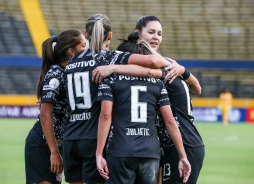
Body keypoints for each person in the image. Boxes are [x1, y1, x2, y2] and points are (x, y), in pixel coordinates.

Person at [63, 13, 173, 184]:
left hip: (70, 137)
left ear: (85, 34)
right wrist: (169, 67)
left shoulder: (71, 62)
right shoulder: (109, 58)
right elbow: (153, 61)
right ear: (110, 36)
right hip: (93, 136)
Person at [95, 37, 191, 184]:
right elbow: (170, 121)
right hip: (149, 151)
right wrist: (183, 156)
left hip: (121, 149)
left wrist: (99, 153)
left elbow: (105, 116)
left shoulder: (111, 79)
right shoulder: (158, 84)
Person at [134, 15, 205, 184]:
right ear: (138, 33)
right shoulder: (162, 64)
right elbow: (197, 89)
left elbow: (197, 89)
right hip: (171, 143)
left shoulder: (163, 65)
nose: (156, 37)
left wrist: (183, 70)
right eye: (151, 32)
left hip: (183, 142)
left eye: (159, 33)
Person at [25, 29, 87, 184]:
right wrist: (54, 152)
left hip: (63, 145)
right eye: (83, 46)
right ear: (72, 52)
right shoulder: (56, 74)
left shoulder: (75, 73)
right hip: (44, 146)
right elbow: (45, 114)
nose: (87, 50)